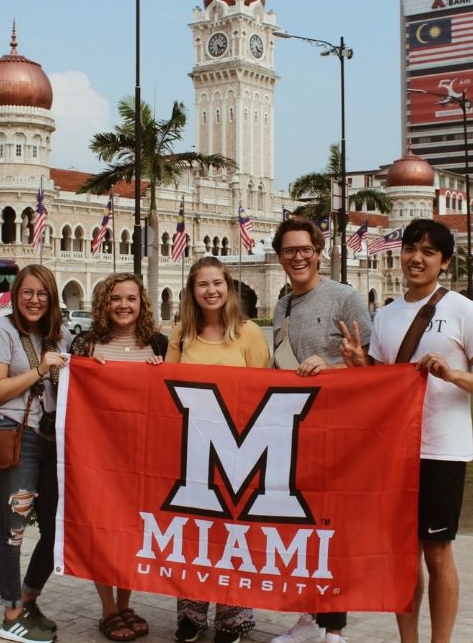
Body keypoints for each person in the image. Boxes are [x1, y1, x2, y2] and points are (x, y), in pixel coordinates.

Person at [341, 219, 473, 643]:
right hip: (397, 451)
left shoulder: (462, 311)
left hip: (442, 449)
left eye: (429, 252)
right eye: (411, 249)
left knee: (437, 551)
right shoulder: (387, 315)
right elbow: (382, 383)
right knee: (402, 555)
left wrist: (452, 374)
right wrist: (359, 366)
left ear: (444, 262)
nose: (417, 258)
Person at [270, 217, 372, 643]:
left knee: (333, 529)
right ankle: (308, 620)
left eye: (305, 249)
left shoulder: (344, 298)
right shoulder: (282, 305)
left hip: (338, 431)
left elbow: (373, 368)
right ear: (279, 257)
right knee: (301, 530)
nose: (298, 257)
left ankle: (336, 629)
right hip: (295, 431)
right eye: (289, 250)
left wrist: (335, 366)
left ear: (319, 251)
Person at [165, 256, 270, 643]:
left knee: (234, 535)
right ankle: (192, 616)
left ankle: (234, 620)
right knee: (192, 534)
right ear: (192, 292)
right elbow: (165, 387)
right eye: (202, 284)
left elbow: (264, 392)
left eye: (217, 283)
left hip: (239, 449)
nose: (211, 290)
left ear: (229, 288)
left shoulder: (248, 334)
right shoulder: (181, 334)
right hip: (193, 449)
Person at [70, 272, 167, 643]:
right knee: (101, 531)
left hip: (142, 457)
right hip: (98, 458)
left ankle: (126, 602)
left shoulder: (157, 344)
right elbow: (70, 399)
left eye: (131, 298)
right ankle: (108, 609)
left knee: (132, 532)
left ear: (141, 304)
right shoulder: (85, 344)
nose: (123, 305)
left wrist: (164, 375)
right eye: (115, 298)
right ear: (104, 303)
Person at [0, 264, 71, 643]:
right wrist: (39, 369)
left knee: (57, 528)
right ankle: (11, 614)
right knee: (12, 531)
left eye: (42, 293)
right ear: (16, 296)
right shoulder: (2, 331)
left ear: (52, 298)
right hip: (12, 434)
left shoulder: (59, 336)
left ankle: (29, 598)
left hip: (50, 440)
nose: (35, 300)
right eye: (27, 293)